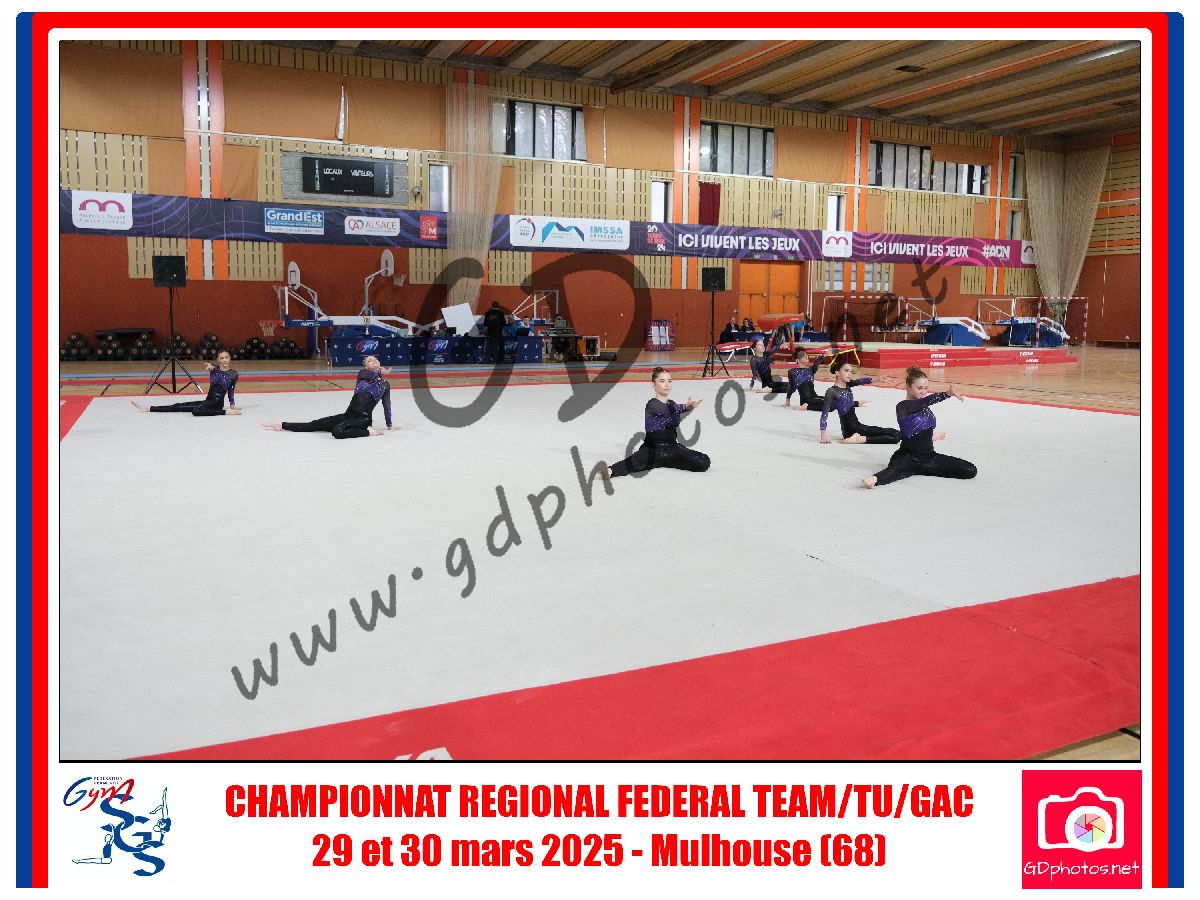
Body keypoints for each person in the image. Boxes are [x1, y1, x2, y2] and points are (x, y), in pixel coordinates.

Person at [863, 366, 977, 488]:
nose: (923, 391)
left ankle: (915, 469)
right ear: (908, 387)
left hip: (929, 457)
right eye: (919, 388)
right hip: (908, 457)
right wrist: (947, 394)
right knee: (890, 473)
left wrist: (932, 437)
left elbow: (919, 430)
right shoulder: (903, 406)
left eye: (926, 388)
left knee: (970, 470)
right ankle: (876, 478)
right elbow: (924, 402)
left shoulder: (924, 408)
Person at [601, 367, 710, 478]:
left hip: (671, 448)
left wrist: (688, 407)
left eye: (669, 381)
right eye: (662, 381)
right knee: (632, 462)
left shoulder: (672, 403)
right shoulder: (652, 404)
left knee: (704, 462)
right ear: (653, 385)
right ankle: (610, 471)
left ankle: (659, 461)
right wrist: (685, 406)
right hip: (653, 449)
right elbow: (666, 409)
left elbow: (675, 412)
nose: (667, 384)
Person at [262, 356, 397, 439]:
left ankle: (369, 432)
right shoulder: (363, 374)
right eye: (369, 360)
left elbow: (387, 406)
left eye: (375, 359)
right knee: (314, 424)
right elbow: (372, 375)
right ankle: (282, 425)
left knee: (337, 431)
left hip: (363, 419)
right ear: (365, 366)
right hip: (348, 415)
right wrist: (381, 371)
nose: (373, 361)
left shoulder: (385, 385)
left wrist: (389, 425)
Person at [130, 351, 240, 415]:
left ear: (230, 358)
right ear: (218, 360)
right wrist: (212, 367)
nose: (224, 360)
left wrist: (232, 406)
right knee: (178, 406)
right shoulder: (214, 369)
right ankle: (148, 408)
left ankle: (224, 412)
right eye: (222, 358)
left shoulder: (234, 374)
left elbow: (231, 390)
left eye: (226, 357)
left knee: (196, 411)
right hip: (208, 401)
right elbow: (214, 367)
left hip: (217, 404)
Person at [819, 357, 900, 444]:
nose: (850, 374)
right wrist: (823, 435)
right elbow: (824, 413)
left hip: (856, 427)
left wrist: (878, 379)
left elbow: (861, 381)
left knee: (895, 433)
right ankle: (858, 439)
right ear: (837, 372)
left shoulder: (848, 385)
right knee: (895, 437)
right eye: (846, 371)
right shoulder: (832, 391)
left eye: (851, 371)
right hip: (851, 430)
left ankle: (859, 438)